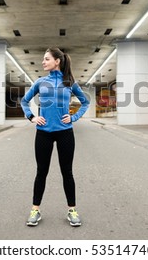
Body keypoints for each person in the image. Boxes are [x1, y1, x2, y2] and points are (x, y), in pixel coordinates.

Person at [21, 47, 90, 227]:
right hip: (43, 133)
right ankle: (35, 210)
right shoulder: (41, 82)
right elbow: (24, 101)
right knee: (41, 172)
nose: (43, 62)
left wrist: (73, 117)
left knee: (67, 172)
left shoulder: (69, 83)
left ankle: (72, 211)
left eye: (46, 59)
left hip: (65, 133)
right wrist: (32, 117)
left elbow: (85, 102)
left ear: (57, 61)